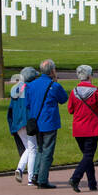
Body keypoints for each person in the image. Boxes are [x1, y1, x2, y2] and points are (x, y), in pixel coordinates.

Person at [24, 58, 68, 188]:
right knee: (47, 151)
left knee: (40, 149)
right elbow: (63, 99)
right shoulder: (54, 86)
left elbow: (27, 103)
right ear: (52, 71)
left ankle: (36, 174)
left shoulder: (31, 85)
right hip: (49, 122)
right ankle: (42, 179)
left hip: (36, 122)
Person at [67, 64, 98, 193]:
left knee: (87, 157)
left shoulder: (74, 91)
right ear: (90, 75)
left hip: (78, 129)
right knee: (88, 156)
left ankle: (92, 184)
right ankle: (75, 178)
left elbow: (70, 110)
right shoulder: (96, 91)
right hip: (91, 128)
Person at [9, 66, 40, 184]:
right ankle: (31, 178)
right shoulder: (30, 88)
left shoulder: (15, 90)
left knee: (28, 148)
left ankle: (20, 168)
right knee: (33, 149)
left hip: (17, 123)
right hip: (28, 122)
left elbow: (11, 109)